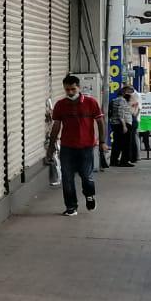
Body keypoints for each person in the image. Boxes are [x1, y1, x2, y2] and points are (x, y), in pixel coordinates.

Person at [47, 76, 107, 216]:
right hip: (67, 147)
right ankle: (71, 207)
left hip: (86, 147)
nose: (70, 92)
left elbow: (100, 122)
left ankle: (89, 195)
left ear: (79, 87)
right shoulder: (60, 105)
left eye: (73, 89)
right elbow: (56, 126)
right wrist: (51, 147)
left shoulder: (91, 102)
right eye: (67, 89)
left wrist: (102, 141)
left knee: (86, 177)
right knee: (67, 178)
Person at [109, 83, 140, 168]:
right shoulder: (122, 100)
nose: (131, 94)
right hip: (123, 124)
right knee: (126, 144)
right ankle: (124, 161)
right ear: (124, 92)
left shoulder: (115, 100)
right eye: (129, 92)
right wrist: (124, 126)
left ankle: (114, 160)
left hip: (117, 124)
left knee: (117, 144)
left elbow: (112, 113)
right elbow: (120, 113)